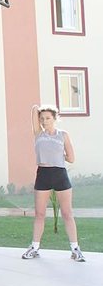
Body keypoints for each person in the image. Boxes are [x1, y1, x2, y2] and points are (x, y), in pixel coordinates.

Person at [22, 105, 85, 262]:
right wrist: (39, 109)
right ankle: (34, 248)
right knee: (40, 214)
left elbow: (71, 158)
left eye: (48, 118)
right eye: (42, 118)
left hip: (59, 174)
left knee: (67, 213)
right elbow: (34, 109)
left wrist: (59, 154)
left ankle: (75, 249)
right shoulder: (38, 134)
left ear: (55, 118)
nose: (44, 121)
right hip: (43, 174)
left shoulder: (63, 135)